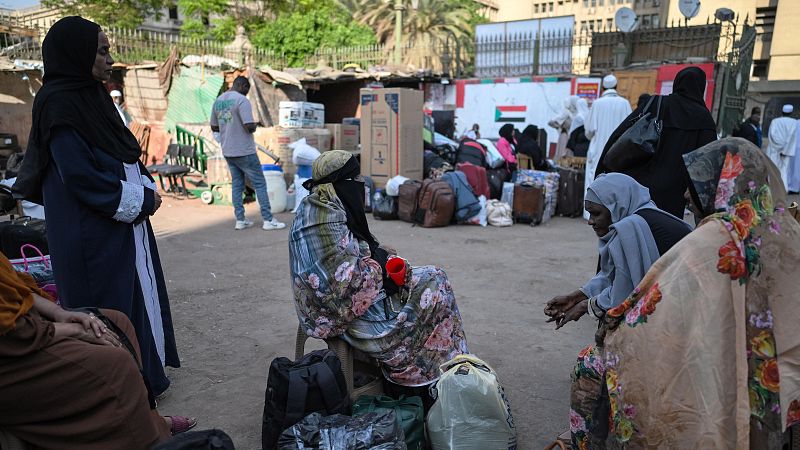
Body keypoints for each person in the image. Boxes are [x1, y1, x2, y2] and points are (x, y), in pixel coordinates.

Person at [561, 138, 800, 448]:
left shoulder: (715, 238)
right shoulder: (783, 230)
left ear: (721, 185)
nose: (687, 195)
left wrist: (606, 324)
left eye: (696, 184)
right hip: (782, 374)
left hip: (721, 367)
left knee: (592, 363)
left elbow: (649, 307)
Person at [12, 16, 179, 397]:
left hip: (119, 223)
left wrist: (145, 187)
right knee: (106, 306)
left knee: (133, 299)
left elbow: (121, 153)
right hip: (91, 231)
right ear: (77, 53)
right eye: (101, 50)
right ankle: (119, 390)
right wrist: (140, 198)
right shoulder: (59, 103)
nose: (108, 57)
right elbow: (80, 174)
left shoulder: (92, 96)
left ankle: (143, 378)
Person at [289, 150, 468, 389]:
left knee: (433, 277)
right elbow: (343, 285)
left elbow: (352, 257)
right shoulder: (323, 220)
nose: (361, 185)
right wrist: (382, 266)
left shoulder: (317, 205)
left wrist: (379, 257)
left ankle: (445, 365)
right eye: (356, 180)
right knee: (435, 285)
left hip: (345, 300)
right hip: (336, 313)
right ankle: (423, 375)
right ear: (341, 183)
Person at [0, 253, 196, 448]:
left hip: (27, 325)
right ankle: (148, 441)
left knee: (117, 323)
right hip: (13, 351)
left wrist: (60, 314)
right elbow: (14, 331)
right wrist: (71, 330)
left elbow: (17, 287)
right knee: (116, 362)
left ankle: (154, 425)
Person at [544, 173, 690, 329]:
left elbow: (623, 294)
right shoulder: (645, 213)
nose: (590, 221)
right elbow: (615, 275)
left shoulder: (630, 228)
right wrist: (575, 298)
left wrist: (584, 306)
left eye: (596, 213)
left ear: (617, 207)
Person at [595, 66, 718, 218]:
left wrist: (601, 170)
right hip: (674, 192)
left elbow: (621, 134)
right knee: (663, 233)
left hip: (640, 185)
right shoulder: (704, 119)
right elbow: (707, 162)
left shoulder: (657, 103)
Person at [210, 76, 286, 231]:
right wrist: (255, 124)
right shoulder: (242, 100)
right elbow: (248, 126)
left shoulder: (219, 101)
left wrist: (227, 137)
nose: (246, 93)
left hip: (228, 151)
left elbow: (214, 126)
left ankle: (240, 220)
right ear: (243, 86)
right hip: (245, 150)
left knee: (237, 184)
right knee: (259, 183)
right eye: (247, 89)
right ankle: (268, 220)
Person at [583, 74, 632, 219]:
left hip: (598, 149)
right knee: (617, 180)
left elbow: (589, 131)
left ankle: (591, 212)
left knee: (595, 179)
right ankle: (617, 213)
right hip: (619, 150)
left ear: (603, 87)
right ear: (616, 87)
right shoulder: (624, 103)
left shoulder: (597, 104)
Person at [767, 104, 797, 191]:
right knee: (784, 170)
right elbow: (792, 137)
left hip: (774, 150)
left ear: (782, 112)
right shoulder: (794, 123)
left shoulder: (775, 121)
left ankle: (772, 188)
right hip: (787, 151)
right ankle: (783, 189)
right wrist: (784, 149)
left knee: (772, 169)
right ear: (791, 113)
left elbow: (772, 135)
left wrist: (778, 147)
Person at [788, 117, 800, 194]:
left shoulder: (795, 122)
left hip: (795, 148)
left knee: (795, 169)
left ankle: (794, 187)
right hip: (795, 149)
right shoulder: (795, 122)